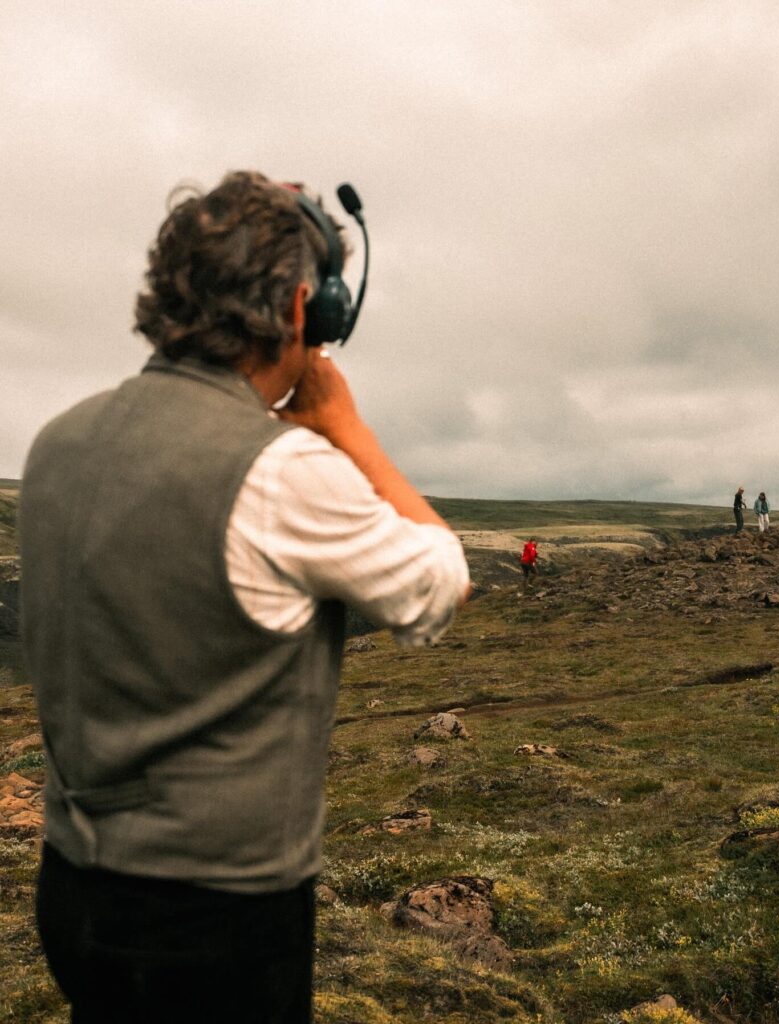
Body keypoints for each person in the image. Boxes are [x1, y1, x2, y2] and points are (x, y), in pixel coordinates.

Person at [20, 171, 470, 1024]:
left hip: (73, 889)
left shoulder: (57, 441)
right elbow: (434, 587)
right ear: (306, 309)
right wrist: (347, 430)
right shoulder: (279, 471)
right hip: (217, 916)